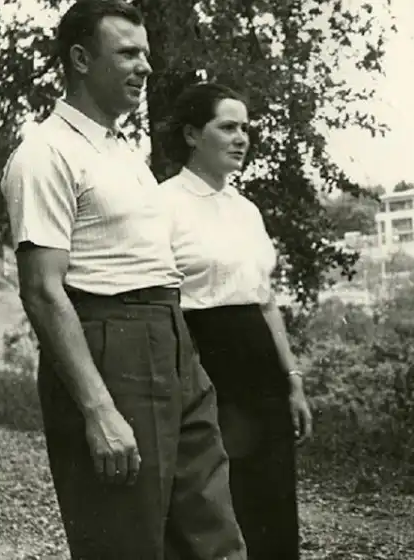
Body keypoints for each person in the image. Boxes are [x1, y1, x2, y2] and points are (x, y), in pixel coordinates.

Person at [0, 2, 246, 559]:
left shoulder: (123, 150)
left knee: (211, 536)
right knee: (125, 542)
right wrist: (98, 409)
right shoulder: (45, 154)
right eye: (129, 53)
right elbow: (42, 290)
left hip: (171, 339)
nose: (145, 67)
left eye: (146, 54)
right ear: (81, 59)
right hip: (110, 346)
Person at [160, 82, 313, 560]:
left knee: (271, 496)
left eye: (245, 128)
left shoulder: (246, 211)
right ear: (191, 134)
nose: (241, 138)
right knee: (216, 499)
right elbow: (161, 300)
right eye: (227, 127)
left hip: (260, 364)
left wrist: (292, 380)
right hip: (203, 360)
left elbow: (264, 300)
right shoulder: (162, 205)